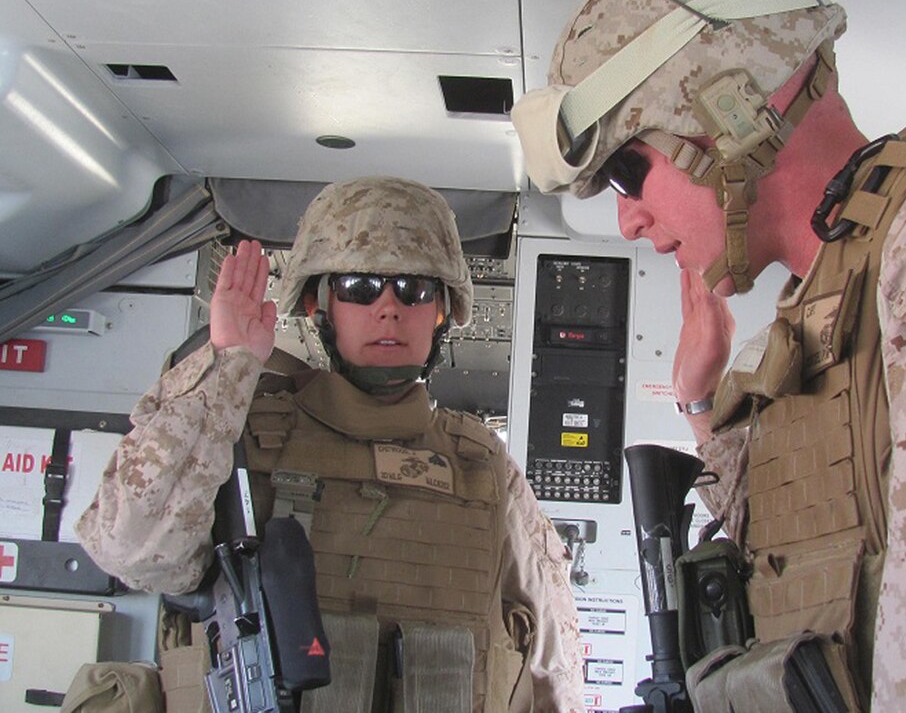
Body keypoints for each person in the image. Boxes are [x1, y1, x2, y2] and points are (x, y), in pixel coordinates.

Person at [511, 0, 906, 711]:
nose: (628, 220)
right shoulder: (826, 305)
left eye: (629, 173)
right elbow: (805, 544)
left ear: (732, 112)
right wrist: (700, 406)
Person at [76, 176, 585, 713]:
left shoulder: (483, 467)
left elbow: (553, 658)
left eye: (413, 289)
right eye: (360, 286)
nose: (388, 308)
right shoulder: (236, 436)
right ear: (320, 305)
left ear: (441, 310)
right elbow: (132, 552)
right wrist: (228, 368)